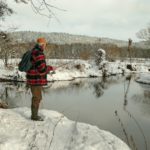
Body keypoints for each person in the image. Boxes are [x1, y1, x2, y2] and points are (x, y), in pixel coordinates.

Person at [26, 38, 55, 121]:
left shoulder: (34, 51)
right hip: (36, 79)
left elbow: (37, 65)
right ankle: (34, 116)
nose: (45, 46)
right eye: (45, 44)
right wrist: (51, 68)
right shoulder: (39, 53)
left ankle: (34, 115)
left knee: (36, 97)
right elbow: (42, 69)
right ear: (42, 44)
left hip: (32, 78)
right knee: (37, 97)